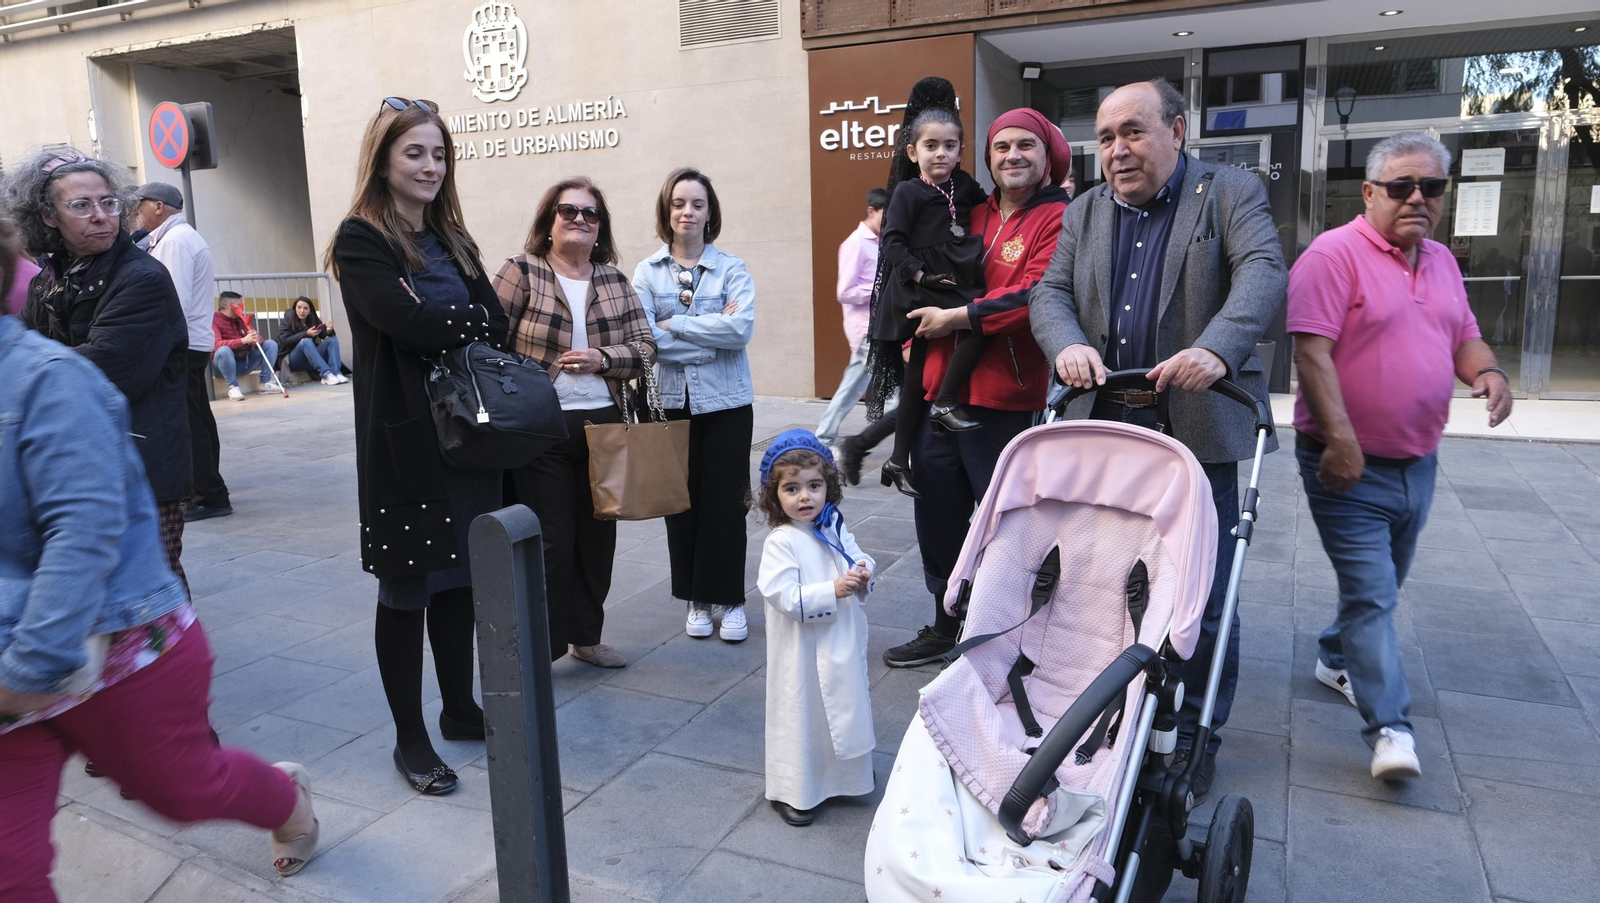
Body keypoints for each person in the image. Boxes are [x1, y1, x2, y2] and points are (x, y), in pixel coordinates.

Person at [0, 209, 321, 898]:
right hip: (9, 676)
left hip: (113, 646)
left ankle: (286, 797)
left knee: (183, 791)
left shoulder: (45, 380)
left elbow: (83, 530)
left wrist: (24, 675)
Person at [1031, 78, 1287, 799]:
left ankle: (1198, 730)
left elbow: (1264, 272)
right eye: (1107, 137)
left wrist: (1219, 347)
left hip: (1196, 429)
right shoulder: (1082, 211)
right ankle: (1111, 705)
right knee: (1101, 577)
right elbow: (1048, 293)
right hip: (1105, 426)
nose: (1117, 150)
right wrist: (1066, 345)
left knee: (1199, 589)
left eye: (1134, 132)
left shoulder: (1228, 192)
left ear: (1177, 130)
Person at [1289, 131, 1512, 782]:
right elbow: (1310, 353)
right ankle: (1390, 727)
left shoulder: (1440, 259)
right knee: (1373, 595)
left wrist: (1488, 371)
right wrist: (1341, 440)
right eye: (1402, 186)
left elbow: (1461, 332)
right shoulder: (1333, 256)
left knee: (1383, 584)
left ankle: (1335, 656)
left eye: (1432, 187)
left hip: (1419, 460)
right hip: (1345, 461)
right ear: (1369, 192)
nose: (1418, 197)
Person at [325, 96, 509, 796]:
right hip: (404, 440)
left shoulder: (453, 239)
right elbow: (401, 319)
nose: (430, 165)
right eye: (415, 152)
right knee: (407, 584)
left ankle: (459, 707)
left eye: (438, 153)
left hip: (468, 434)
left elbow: (493, 322)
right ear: (383, 157)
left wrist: (440, 319)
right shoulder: (360, 237)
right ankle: (410, 736)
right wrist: (443, 320)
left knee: (460, 575)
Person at [879, 106, 1072, 670]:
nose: (1013, 156)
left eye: (1025, 146)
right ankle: (945, 622)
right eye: (1002, 147)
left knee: (1002, 523)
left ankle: (1000, 630)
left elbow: (1038, 294)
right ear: (987, 157)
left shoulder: (1057, 216)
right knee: (937, 514)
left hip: (1003, 398)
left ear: (1047, 155)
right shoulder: (972, 209)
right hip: (939, 388)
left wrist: (958, 316)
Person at [4, 147, 193, 590]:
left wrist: (26, 376)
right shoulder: (49, 278)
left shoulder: (141, 278)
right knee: (99, 587)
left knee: (152, 585)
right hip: (82, 455)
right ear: (49, 216)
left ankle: (174, 659)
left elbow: (102, 370)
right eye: (81, 205)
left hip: (142, 460)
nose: (101, 216)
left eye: (108, 203)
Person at [496, 177, 657, 669]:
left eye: (591, 213)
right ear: (548, 221)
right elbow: (488, 344)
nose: (580, 220)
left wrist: (603, 358)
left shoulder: (613, 281)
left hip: (603, 426)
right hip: (541, 425)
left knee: (596, 538)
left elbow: (646, 349)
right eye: (569, 211)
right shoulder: (521, 271)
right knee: (551, 539)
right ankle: (541, 647)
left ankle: (586, 639)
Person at [634, 168, 757, 643]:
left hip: (726, 403)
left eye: (697, 204)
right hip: (669, 402)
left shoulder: (732, 268)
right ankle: (696, 599)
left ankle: (730, 598)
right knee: (681, 503)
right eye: (679, 204)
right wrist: (709, 329)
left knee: (726, 504)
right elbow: (645, 338)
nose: (688, 212)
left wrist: (677, 325)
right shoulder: (647, 272)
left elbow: (740, 330)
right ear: (667, 213)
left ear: (710, 212)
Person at [754, 430, 875, 827]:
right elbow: (780, 593)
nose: (805, 497)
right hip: (801, 650)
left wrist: (862, 571)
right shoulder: (782, 541)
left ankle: (847, 778)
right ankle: (796, 790)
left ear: (829, 486)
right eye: (792, 488)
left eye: (814, 485)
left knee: (844, 708)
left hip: (839, 638)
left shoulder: (833, 525)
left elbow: (858, 555)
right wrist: (831, 590)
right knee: (803, 715)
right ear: (775, 496)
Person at [870, 106, 990, 497]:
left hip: (945, 280)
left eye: (949, 146)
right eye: (931, 145)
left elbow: (992, 203)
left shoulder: (964, 184)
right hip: (918, 285)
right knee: (978, 322)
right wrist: (920, 274)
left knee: (916, 377)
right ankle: (946, 401)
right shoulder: (907, 191)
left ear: (960, 151)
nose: (940, 153)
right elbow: (891, 241)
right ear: (912, 153)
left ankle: (898, 458)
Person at [132, 181, 234, 522]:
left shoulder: (175, 242)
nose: (135, 213)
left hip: (182, 344)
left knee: (189, 422)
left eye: (140, 205)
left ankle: (208, 494)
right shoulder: (178, 238)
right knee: (198, 418)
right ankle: (209, 488)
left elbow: (170, 300)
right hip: (191, 341)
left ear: (159, 206)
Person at [814, 187, 886, 445]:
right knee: (897, 388)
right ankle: (907, 445)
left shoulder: (881, 242)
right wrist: (880, 288)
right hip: (867, 329)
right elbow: (844, 292)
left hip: (880, 327)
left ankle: (823, 437)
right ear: (871, 211)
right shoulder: (855, 243)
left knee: (853, 387)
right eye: (885, 216)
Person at [211, 290, 281, 399]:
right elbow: (217, 345)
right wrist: (243, 340)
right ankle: (233, 387)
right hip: (223, 366)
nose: (242, 306)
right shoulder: (213, 320)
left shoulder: (241, 318)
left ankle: (265, 383)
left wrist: (256, 340)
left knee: (270, 344)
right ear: (230, 306)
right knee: (224, 350)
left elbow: (258, 339)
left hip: (245, 361)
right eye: (239, 304)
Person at [278, 296, 348, 385]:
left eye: (305, 308)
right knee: (305, 341)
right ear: (295, 308)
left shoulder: (313, 320)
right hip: (294, 360)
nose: (301, 311)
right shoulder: (287, 320)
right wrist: (306, 333)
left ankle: (336, 373)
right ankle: (326, 375)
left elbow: (323, 334)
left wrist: (329, 330)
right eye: (299, 307)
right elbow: (285, 340)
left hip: (311, 359)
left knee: (332, 339)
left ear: (310, 311)